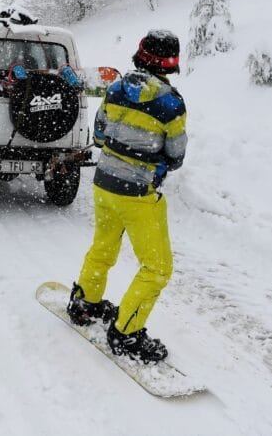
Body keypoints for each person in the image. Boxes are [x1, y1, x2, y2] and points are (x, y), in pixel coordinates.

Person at [67, 30, 187, 363]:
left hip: (103, 184)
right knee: (158, 268)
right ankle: (126, 334)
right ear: (170, 63)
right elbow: (176, 154)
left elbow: (101, 133)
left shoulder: (116, 89)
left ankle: (85, 303)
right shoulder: (170, 103)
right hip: (137, 193)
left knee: (104, 247)